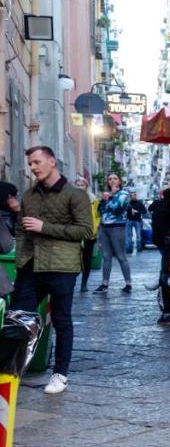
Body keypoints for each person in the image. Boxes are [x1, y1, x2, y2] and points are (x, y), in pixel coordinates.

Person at [9, 146, 94, 394]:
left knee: (61, 320)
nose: (33, 168)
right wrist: (21, 260)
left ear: (52, 162)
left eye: (37, 162)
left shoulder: (75, 195)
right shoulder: (29, 195)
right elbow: (22, 230)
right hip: (31, 266)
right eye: (30, 164)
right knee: (17, 319)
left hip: (62, 267)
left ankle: (60, 374)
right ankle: (11, 372)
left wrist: (44, 227)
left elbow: (85, 231)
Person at [94, 172, 132, 293]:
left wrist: (110, 197)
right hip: (105, 227)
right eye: (110, 179)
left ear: (119, 181)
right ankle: (104, 284)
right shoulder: (106, 194)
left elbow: (118, 209)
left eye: (115, 178)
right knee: (106, 257)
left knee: (121, 256)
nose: (112, 181)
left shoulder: (124, 194)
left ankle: (128, 283)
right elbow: (100, 211)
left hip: (117, 227)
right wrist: (104, 200)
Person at [149, 188, 170, 323]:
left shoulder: (156, 207)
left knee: (165, 269)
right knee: (168, 270)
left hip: (160, 241)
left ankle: (167, 310)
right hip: (169, 243)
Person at [73, 176, 97, 293]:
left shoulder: (92, 199)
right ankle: (71, 282)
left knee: (86, 260)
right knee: (74, 259)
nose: (80, 187)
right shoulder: (70, 199)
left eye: (82, 185)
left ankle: (84, 283)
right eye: (78, 185)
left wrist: (95, 229)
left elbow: (97, 216)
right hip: (74, 234)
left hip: (89, 234)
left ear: (86, 186)